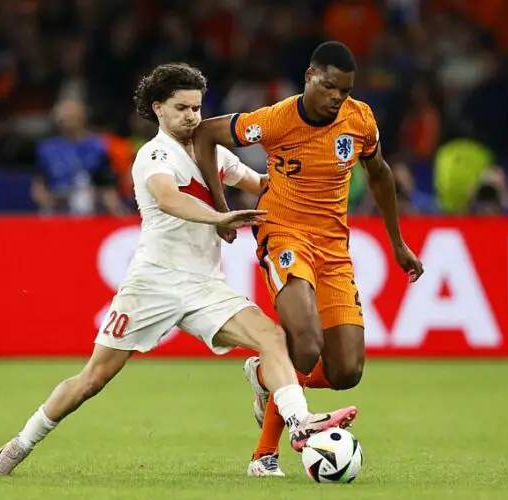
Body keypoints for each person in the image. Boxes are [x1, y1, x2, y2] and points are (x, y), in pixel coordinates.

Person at [0, 63, 357, 477]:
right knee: (93, 378)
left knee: (274, 337)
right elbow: (167, 198)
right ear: (158, 108)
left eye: (197, 108)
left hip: (204, 286)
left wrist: (308, 178)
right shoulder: (154, 155)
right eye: (181, 108)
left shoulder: (213, 153)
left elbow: (261, 182)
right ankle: (18, 445)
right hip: (153, 283)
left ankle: (298, 424)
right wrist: (218, 218)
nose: (192, 117)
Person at [194, 41, 423, 477]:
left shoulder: (360, 119)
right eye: (331, 86)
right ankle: (265, 456)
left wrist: (397, 243)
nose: (339, 97)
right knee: (305, 341)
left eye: (346, 89)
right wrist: (219, 210)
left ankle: (266, 377)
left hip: (334, 249)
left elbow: (381, 173)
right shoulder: (277, 120)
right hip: (283, 234)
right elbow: (205, 134)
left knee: (346, 369)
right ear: (310, 77)